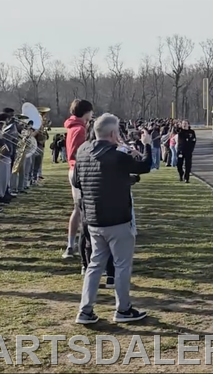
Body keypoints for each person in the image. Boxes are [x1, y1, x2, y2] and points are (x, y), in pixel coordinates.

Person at [73, 113, 152, 324]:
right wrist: (146, 145)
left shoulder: (83, 151)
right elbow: (145, 165)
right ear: (113, 133)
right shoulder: (117, 154)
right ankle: (123, 309)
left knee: (95, 264)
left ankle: (85, 310)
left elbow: (77, 180)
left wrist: (123, 180)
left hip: (93, 217)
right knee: (121, 265)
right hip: (117, 218)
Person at [64, 99, 94, 259]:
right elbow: (75, 154)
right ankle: (77, 246)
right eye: (91, 111)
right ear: (86, 112)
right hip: (78, 171)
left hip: (75, 170)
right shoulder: (78, 129)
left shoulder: (77, 127)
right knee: (81, 210)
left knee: (79, 209)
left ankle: (72, 244)